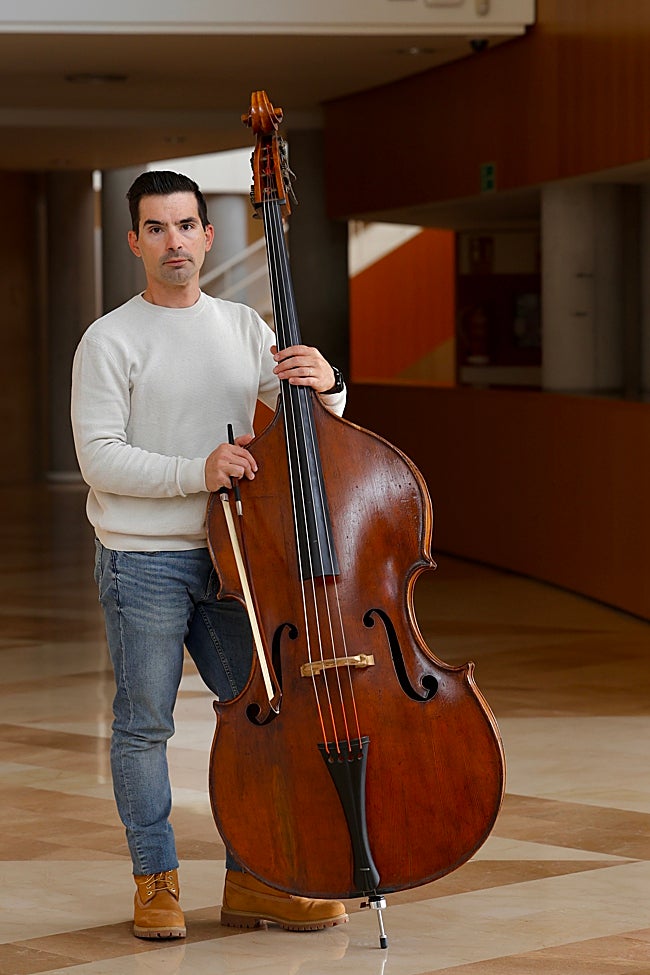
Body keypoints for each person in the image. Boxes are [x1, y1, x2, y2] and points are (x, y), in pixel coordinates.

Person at [71, 170, 348, 939]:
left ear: (209, 234)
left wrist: (329, 387)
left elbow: (306, 420)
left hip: (239, 559)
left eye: (186, 225)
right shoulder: (109, 339)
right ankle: (155, 882)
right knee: (144, 725)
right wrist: (199, 471)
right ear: (134, 241)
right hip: (143, 559)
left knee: (262, 720)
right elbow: (99, 459)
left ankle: (258, 879)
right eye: (155, 228)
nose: (174, 242)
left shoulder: (242, 326)